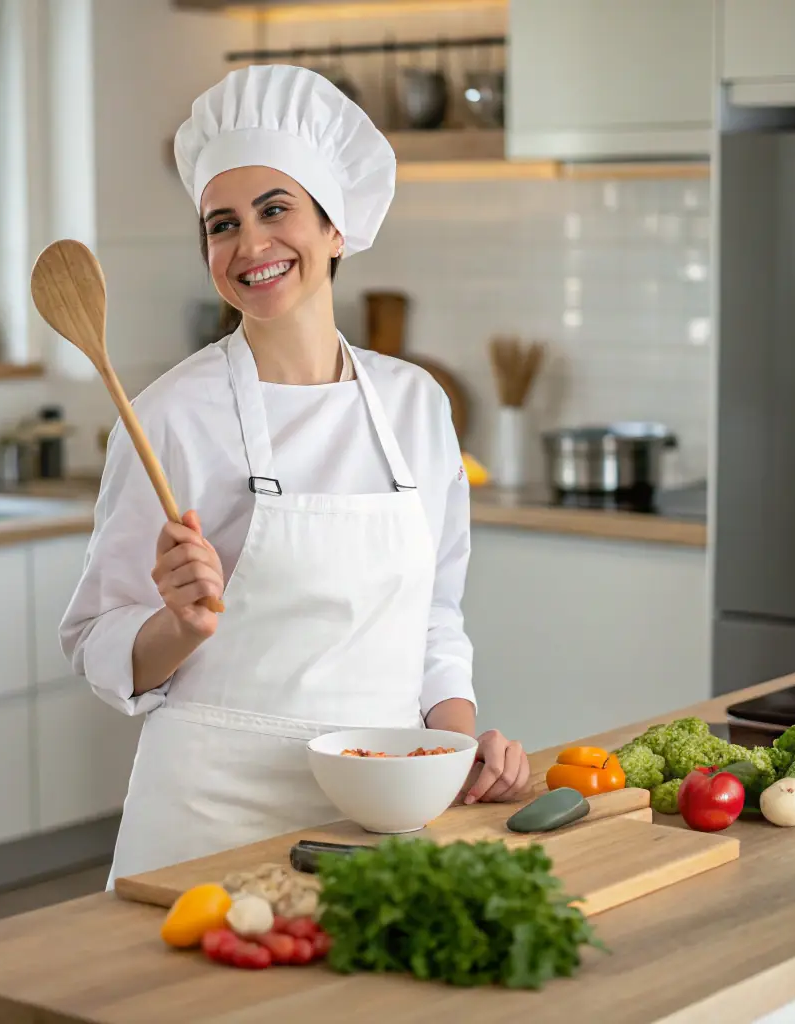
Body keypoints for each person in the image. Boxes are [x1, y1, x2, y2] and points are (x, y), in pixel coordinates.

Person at [59, 64, 533, 889]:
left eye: (275, 210)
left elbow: (434, 619)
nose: (251, 245)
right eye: (223, 225)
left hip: (380, 807)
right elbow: (96, 638)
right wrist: (181, 626)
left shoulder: (415, 404)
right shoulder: (169, 414)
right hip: (207, 816)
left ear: (336, 228)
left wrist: (454, 750)